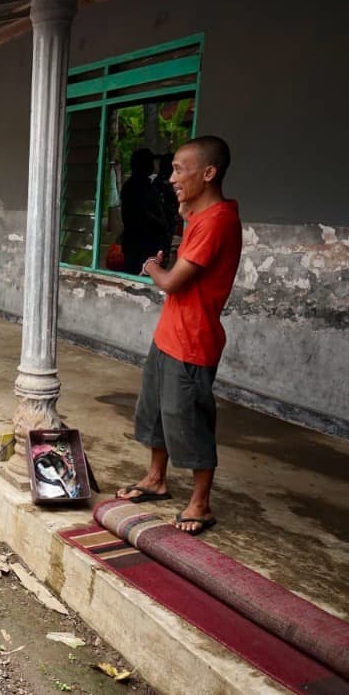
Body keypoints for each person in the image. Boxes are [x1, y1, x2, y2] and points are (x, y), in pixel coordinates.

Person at [116, 136, 242, 537]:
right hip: (171, 334)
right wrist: (186, 211)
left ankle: (201, 504)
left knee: (189, 419)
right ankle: (156, 478)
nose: (171, 178)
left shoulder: (218, 221)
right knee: (154, 411)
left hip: (194, 340)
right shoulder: (201, 217)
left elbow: (171, 282)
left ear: (209, 172)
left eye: (178, 169)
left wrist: (152, 265)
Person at [119, 148, 169, 274]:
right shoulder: (135, 186)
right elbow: (140, 213)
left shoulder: (146, 184)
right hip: (139, 242)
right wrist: (161, 222)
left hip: (145, 241)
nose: (152, 165)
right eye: (149, 162)